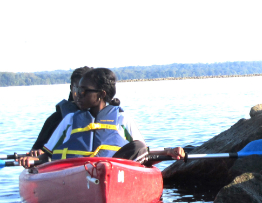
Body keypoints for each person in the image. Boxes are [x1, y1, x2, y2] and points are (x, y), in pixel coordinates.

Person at [19, 68, 183, 168]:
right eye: (77, 90)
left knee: (137, 146)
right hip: (75, 173)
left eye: (84, 91)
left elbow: (143, 153)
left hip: (113, 173)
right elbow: (47, 154)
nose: (77, 95)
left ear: (101, 95)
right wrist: (30, 159)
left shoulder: (122, 119)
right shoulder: (69, 120)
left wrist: (168, 152)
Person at [27, 66, 93, 157]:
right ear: (71, 88)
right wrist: (35, 152)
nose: (79, 94)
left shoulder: (107, 118)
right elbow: (37, 149)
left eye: (85, 90)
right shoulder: (57, 119)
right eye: (76, 88)